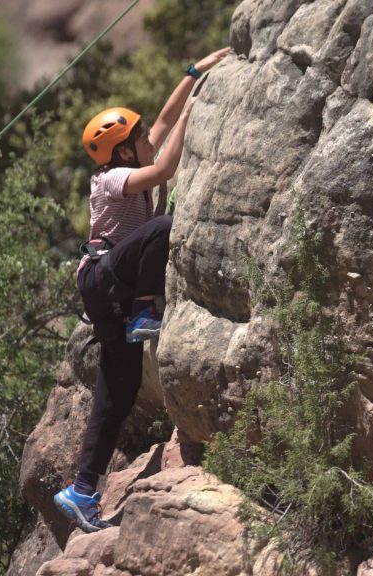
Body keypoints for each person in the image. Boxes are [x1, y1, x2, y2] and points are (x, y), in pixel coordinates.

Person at [53, 47, 232, 533]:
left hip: (109, 290)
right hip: (104, 276)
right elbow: (164, 169)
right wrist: (196, 108)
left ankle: (82, 491)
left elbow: (164, 120)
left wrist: (194, 73)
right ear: (125, 152)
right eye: (139, 136)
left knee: (120, 388)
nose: (150, 135)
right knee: (163, 227)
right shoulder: (111, 179)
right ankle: (145, 311)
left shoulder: (127, 161)